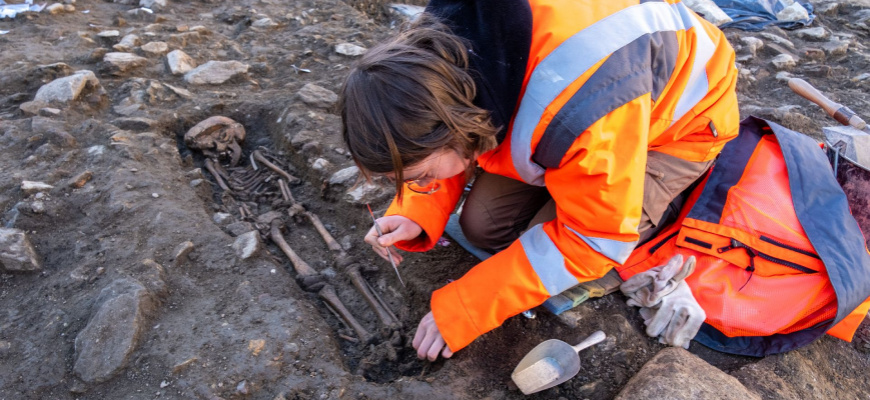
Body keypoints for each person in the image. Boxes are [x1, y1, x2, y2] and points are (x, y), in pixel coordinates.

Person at [339, 0, 739, 361]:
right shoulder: (435, 50)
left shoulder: (578, 112)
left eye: (420, 177)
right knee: (482, 227)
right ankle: (570, 177)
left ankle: (661, 208)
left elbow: (590, 239)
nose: (418, 183)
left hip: (676, 125)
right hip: (589, 113)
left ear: (458, 130)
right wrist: (417, 208)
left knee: (575, 265)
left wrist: (468, 307)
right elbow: (428, 141)